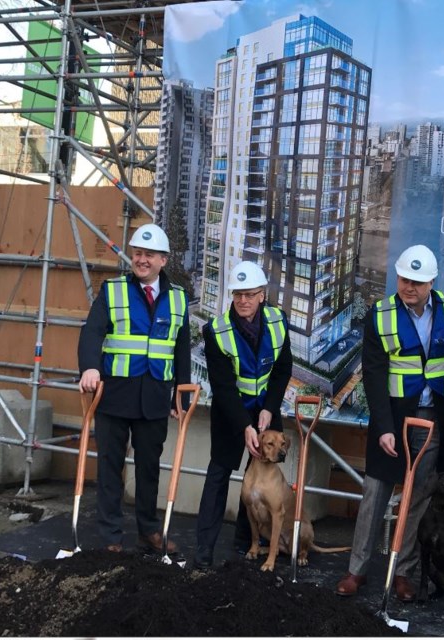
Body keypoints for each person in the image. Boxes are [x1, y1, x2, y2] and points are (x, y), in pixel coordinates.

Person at [336, 245, 444, 603]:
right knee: (375, 493)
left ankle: (403, 572)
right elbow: (374, 376)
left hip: (433, 418)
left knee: (418, 499)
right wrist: (384, 428)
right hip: (394, 418)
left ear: (432, 282)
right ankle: (357, 570)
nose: (409, 287)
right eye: (404, 279)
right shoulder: (380, 315)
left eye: (418, 282)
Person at [77, 222, 191, 553]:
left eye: (149, 255)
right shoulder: (112, 291)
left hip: (154, 397)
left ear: (163, 260)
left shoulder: (179, 299)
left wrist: (179, 394)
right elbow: (92, 332)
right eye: (138, 254)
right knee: (110, 467)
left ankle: (148, 531)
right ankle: (112, 535)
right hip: (114, 394)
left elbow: (180, 348)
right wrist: (89, 368)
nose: (142, 260)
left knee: (149, 469)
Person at [194, 261, 293, 568]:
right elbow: (222, 387)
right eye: (237, 295)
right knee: (219, 473)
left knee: (262, 475)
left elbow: (282, 369)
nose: (243, 301)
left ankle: (247, 541)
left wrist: (267, 409)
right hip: (231, 412)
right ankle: (203, 553)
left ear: (262, 295)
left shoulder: (278, 321)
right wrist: (245, 427)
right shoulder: (216, 331)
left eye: (249, 294)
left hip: (265, 408)